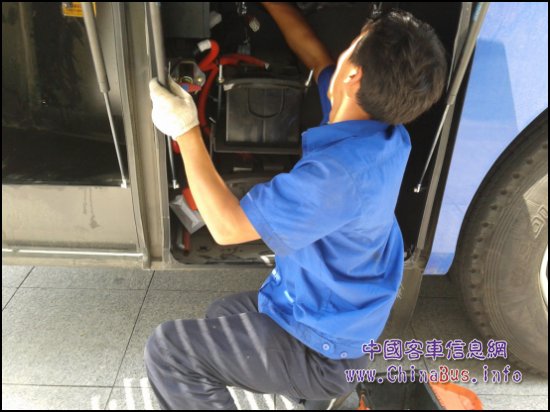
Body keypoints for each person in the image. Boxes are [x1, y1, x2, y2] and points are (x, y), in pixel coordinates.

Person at [145, 3, 447, 410]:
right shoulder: (379, 130)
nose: (342, 52)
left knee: (170, 351)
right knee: (221, 314)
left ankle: (317, 387)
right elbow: (314, 54)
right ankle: (313, 399)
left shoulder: (337, 176)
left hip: (324, 350)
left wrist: (186, 130)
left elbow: (227, 228)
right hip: (335, 312)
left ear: (353, 76)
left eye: (353, 46)